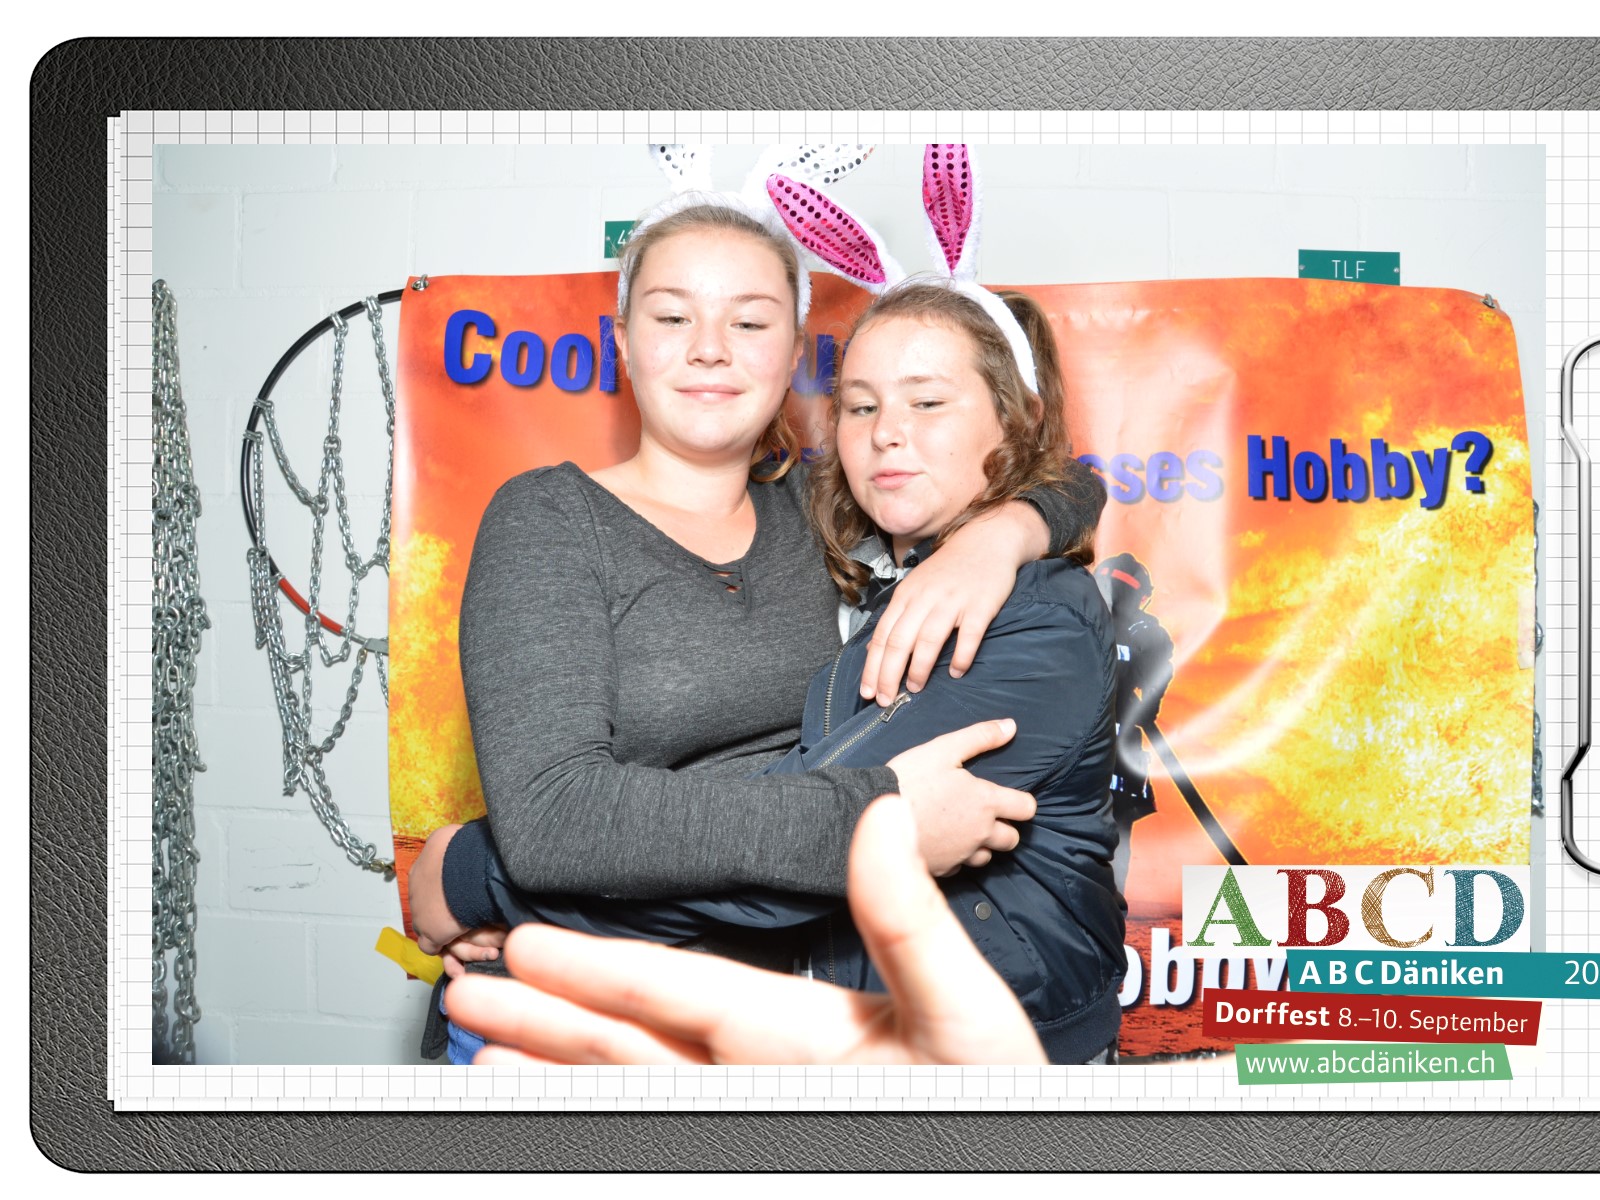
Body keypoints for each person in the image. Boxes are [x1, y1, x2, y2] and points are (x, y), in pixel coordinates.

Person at [406, 146, 1105, 1057]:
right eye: (672, 316)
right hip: (571, 1011)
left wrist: (1005, 533)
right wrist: (883, 816)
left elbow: (1060, 475)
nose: (709, 347)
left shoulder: (822, 513)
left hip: (771, 1020)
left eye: (749, 320)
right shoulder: (549, 518)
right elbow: (556, 824)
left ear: (792, 355)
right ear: (621, 340)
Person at [445, 793, 1048, 1066]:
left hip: (784, 1028)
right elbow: (553, 818)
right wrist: (480, 876)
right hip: (556, 1014)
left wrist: (476, 875)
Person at [1093, 552, 1174, 894]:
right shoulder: (1143, 629)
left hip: (1082, 769)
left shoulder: (1074, 616)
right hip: (1113, 772)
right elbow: (1158, 671)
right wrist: (1148, 707)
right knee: (1114, 855)